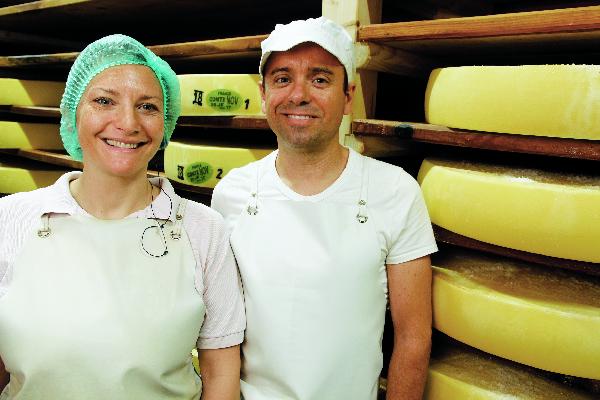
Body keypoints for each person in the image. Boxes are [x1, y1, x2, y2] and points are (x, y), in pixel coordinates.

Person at [0, 34, 244, 400]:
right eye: (103, 101)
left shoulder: (203, 229)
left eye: (147, 107)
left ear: (166, 123)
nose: (128, 123)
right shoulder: (12, 219)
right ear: (72, 113)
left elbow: (220, 370)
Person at [211, 17, 438, 400]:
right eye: (283, 79)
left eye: (319, 79)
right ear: (264, 94)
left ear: (348, 96)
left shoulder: (394, 191)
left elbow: (413, 339)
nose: (299, 95)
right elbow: (220, 332)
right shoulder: (232, 192)